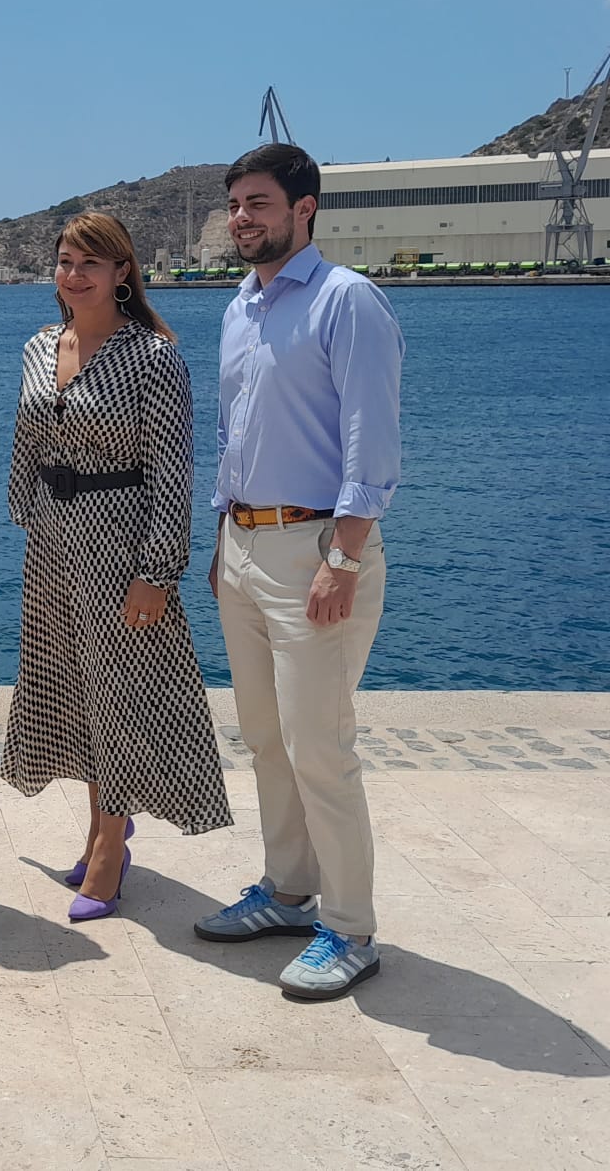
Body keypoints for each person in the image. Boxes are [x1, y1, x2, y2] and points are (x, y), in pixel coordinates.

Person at [194, 142, 403, 1001]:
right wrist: (220, 543)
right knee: (265, 736)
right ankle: (288, 890)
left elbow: (372, 446)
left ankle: (350, 927)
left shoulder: (347, 303)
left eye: (259, 204)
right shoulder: (240, 307)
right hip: (243, 546)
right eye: (237, 204)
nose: (244, 218)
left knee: (320, 745)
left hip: (319, 549)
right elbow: (233, 437)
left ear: (304, 209)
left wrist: (344, 558)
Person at [0, 211, 232, 921]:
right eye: (66, 262)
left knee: (122, 694)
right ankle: (109, 821)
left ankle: (108, 843)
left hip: (120, 542)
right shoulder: (41, 346)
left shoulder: (153, 357)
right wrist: (27, 522)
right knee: (70, 685)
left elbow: (172, 474)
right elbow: (27, 445)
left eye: (89, 264)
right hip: (54, 545)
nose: (74, 275)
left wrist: (158, 573)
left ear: (122, 272)